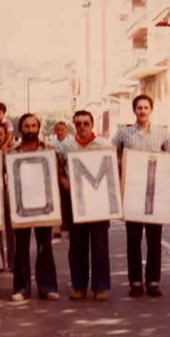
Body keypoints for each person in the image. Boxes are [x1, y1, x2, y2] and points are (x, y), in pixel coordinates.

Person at [111, 94, 170, 298]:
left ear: (151, 110)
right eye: (139, 108)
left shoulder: (163, 134)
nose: (142, 111)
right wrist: (121, 165)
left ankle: (153, 281)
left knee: (155, 240)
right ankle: (135, 282)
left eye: (146, 107)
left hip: (156, 194)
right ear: (134, 110)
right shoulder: (123, 133)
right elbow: (110, 153)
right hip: (133, 192)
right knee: (133, 240)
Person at [60, 110, 112, 301]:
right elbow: (56, 165)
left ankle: (101, 287)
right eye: (78, 123)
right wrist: (63, 180)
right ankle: (79, 286)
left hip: (99, 203)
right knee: (77, 245)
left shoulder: (104, 145)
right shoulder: (66, 146)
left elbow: (112, 169)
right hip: (76, 202)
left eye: (86, 123)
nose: (82, 126)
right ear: (74, 125)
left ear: (92, 125)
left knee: (100, 245)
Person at [10, 113, 60, 301]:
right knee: (21, 248)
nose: (30, 129)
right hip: (20, 207)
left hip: (43, 205)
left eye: (33, 126)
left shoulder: (50, 150)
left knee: (44, 246)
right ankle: (21, 289)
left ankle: (48, 288)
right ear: (20, 129)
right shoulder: (12, 152)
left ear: (38, 128)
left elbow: (57, 174)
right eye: (26, 126)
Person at [0, 122, 15, 270]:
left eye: (1, 134)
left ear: (6, 135)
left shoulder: (12, 151)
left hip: (9, 194)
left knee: (11, 230)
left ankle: (12, 262)